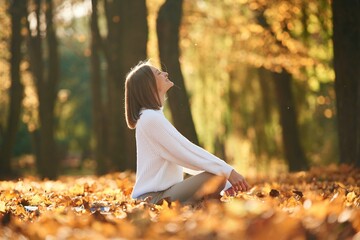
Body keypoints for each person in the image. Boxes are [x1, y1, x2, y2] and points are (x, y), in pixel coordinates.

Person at [125, 60, 250, 205]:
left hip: (162, 195)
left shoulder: (152, 116)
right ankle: (197, 208)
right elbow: (187, 152)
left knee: (218, 177)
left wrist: (227, 180)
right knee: (217, 176)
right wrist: (228, 172)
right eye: (159, 73)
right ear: (148, 85)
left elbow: (183, 158)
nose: (165, 73)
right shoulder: (150, 118)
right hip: (152, 199)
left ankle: (199, 208)